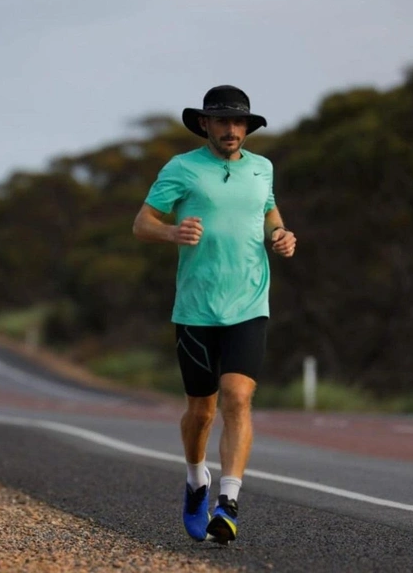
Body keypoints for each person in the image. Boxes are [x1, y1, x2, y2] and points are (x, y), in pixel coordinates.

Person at [132, 85, 296, 544]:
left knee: (237, 397)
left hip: (249, 302)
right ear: (205, 124)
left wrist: (281, 233)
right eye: (222, 121)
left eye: (239, 122)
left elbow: (269, 211)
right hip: (196, 308)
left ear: (248, 127)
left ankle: (228, 501)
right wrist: (172, 233)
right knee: (201, 412)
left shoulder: (262, 168)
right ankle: (195, 479)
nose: (231, 129)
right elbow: (142, 223)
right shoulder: (181, 169)